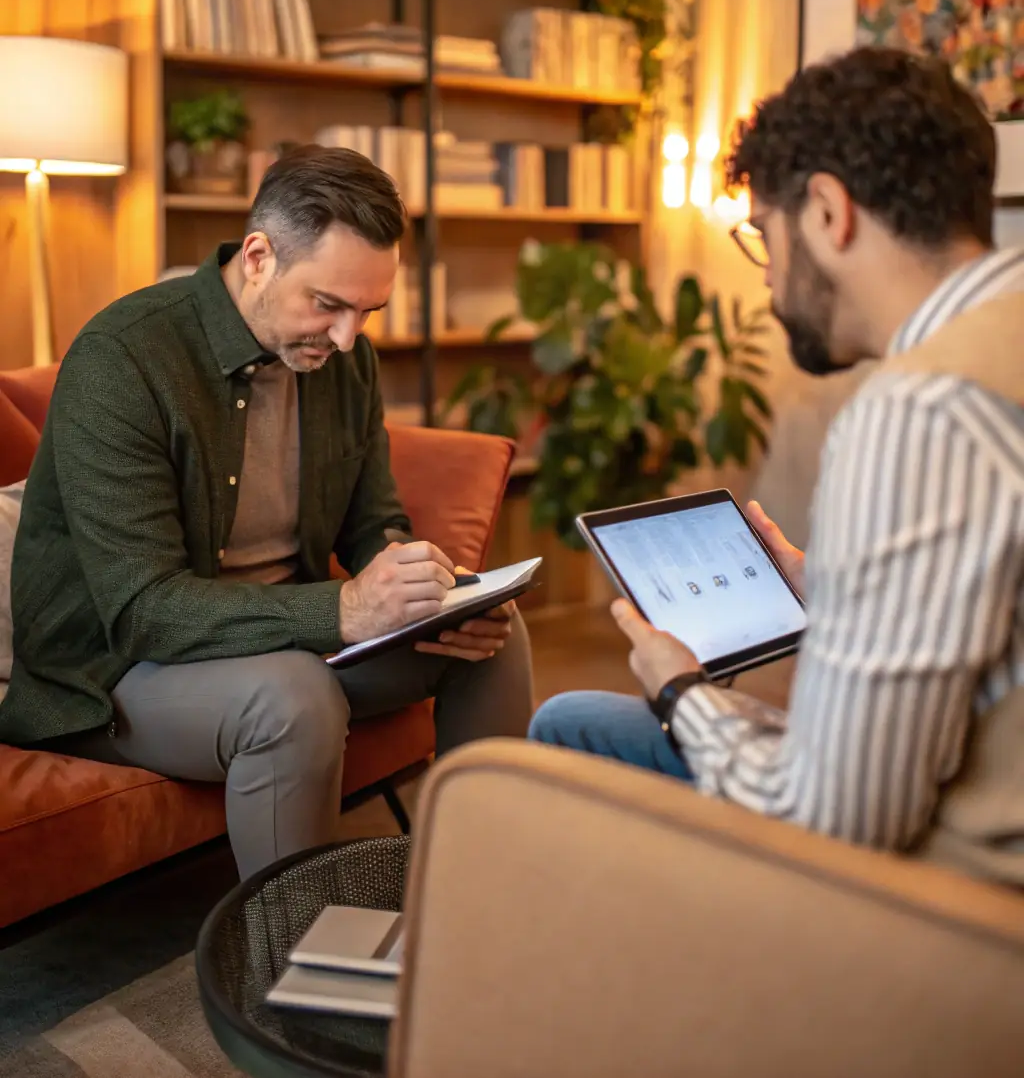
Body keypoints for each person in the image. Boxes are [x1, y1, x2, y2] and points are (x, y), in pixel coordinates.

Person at [530, 47, 1024, 877]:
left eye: (764, 235)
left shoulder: (917, 411)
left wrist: (681, 689)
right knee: (578, 714)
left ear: (828, 212)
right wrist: (824, 584)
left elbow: (832, 820)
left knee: (566, 728)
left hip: (955, 906)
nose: (770, 285)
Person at [1, 146, 533, 878]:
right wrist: (346, 610)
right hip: (114, 672)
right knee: (292, 695)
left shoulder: (346, 360)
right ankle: (297, 967)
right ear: (258, 256)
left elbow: (372, 519)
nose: (348, 337)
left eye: (367, 311)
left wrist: (419, 586)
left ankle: (486, 897)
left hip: (284, 638)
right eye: (328, 304)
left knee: (489, 635)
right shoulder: (123, 358)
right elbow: (143, 610)